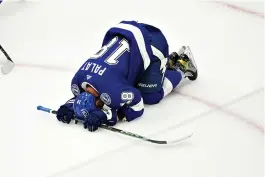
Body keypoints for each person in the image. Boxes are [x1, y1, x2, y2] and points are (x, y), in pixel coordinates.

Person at [56, 21, 198, 132]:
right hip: (126, 34)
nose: (101, 107)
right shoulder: (77, 80)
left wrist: (110, 117)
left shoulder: (112, 92)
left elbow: (138, 105)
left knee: (150, 96)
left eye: (99, 107)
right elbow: (80, 97)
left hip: (152, 43)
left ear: (99, 101)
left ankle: (181, 66)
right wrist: (68, 107)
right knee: (129, 81)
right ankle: (165, 66)